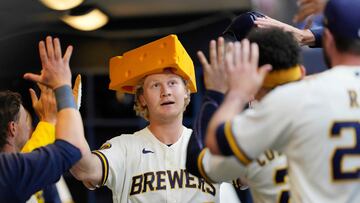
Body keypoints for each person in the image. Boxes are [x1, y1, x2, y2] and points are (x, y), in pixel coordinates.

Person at [205, 0, 360, 202]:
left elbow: (215, 148)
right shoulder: (308, 92)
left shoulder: (295, 99)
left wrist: (224, 93)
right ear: (300, 69)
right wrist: (327, 23)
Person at [70, 34, 220, 202]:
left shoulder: (210, 144)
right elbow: (84, 170)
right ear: (142, 98)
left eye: (172, 83)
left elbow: (247, 175)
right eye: (155, 85)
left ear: (186, 91)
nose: (166, 91)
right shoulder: (124, 147)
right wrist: (67, 114)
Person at [187, 26, 305, 203]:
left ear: (254, 84)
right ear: (302, 72)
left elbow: (197, 163)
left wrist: (216, 93)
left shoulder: (249, 130)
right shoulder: (331, 103)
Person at [0, 36, 86, 202]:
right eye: (27, 121)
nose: (33, 127)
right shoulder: (10, 171)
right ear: (13, 128)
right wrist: (62, 89)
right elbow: (72, 149)